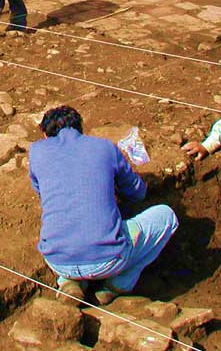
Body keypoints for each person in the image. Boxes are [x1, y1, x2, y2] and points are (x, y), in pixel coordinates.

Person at [29, 106, 179, 305]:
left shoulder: (37, 151)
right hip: (109, 261)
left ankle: (68, 283)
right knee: (167, 216)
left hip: (57, 260)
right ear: (80, 129)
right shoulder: (104, 147)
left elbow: (41, 192)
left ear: (46, 135)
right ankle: (116, 285)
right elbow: (137, 193)